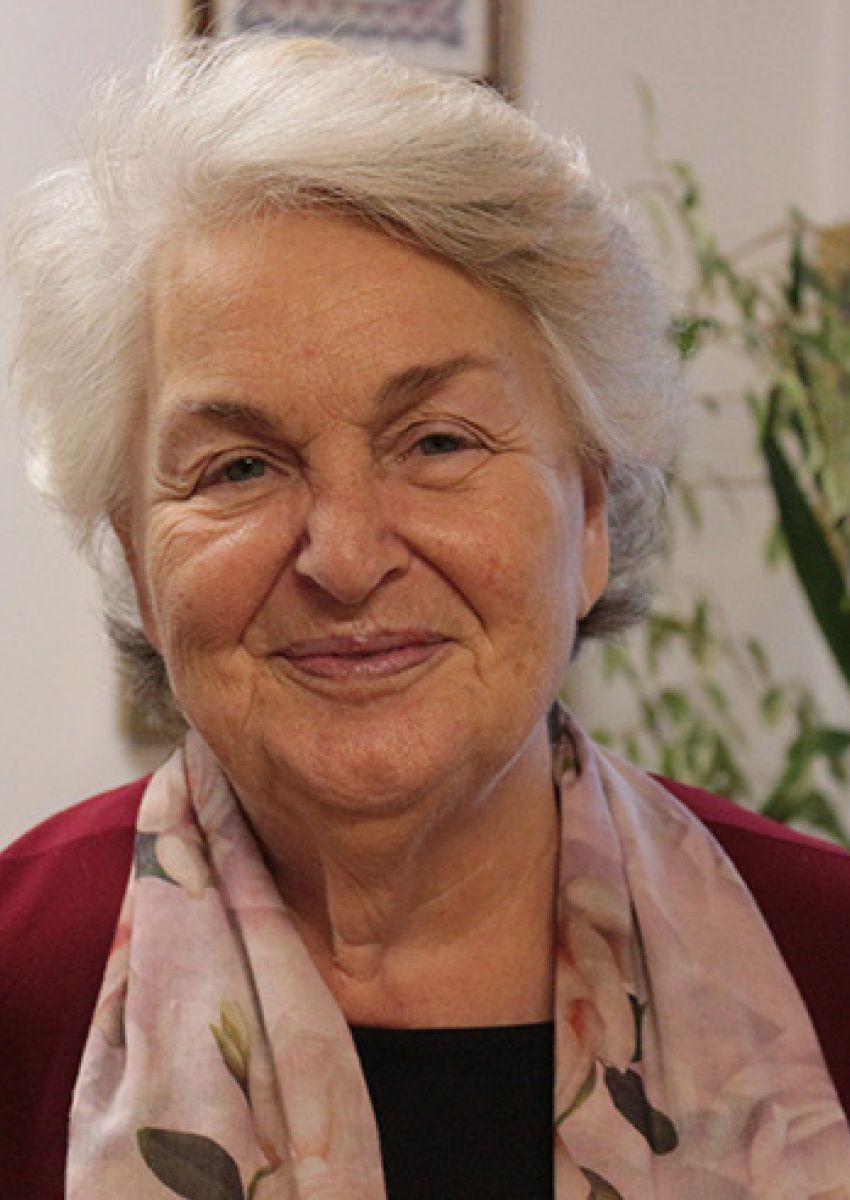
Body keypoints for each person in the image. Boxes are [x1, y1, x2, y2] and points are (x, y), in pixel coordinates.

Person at [2, 35, 849, 1200]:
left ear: (588, 513)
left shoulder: (827, 957)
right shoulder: (18, 979)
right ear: (139, 559)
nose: (345, 558)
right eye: (239, 467)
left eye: (439, 442)